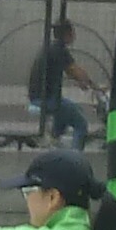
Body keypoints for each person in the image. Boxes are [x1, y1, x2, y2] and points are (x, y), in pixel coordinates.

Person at [25, 8, 90, 151]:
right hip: (47, 100)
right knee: (81, 124)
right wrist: (90, 83)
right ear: (67, 34)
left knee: (73, 109)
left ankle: (53, 139)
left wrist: (81, 81)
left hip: (38, 97)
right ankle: (75, 157)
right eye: (72, 32)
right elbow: (76, 71)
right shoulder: (59, 50)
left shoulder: (50, 47)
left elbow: (71, 72)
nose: (74, 36)